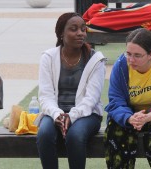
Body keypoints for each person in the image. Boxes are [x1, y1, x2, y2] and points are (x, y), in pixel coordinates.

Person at [36, 12, 106, 169]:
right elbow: (45, 96)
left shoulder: (96, 60)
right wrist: (57, 115)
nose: (80, 33)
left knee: (75, 136)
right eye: (73, 29)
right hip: (56, 113)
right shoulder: (48, 57)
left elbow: (91, 100)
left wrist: (71, 116)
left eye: (83, 29)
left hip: (88, 115)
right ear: (61, 33)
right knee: (44, 134)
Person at [104, 28, 151, 169]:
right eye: (128, 54)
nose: (131, 60)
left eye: (137, 55)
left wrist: (150, 116)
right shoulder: (121, 66)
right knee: (115, 127)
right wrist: (129, 117)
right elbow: (116, 100)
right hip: (131, 115)